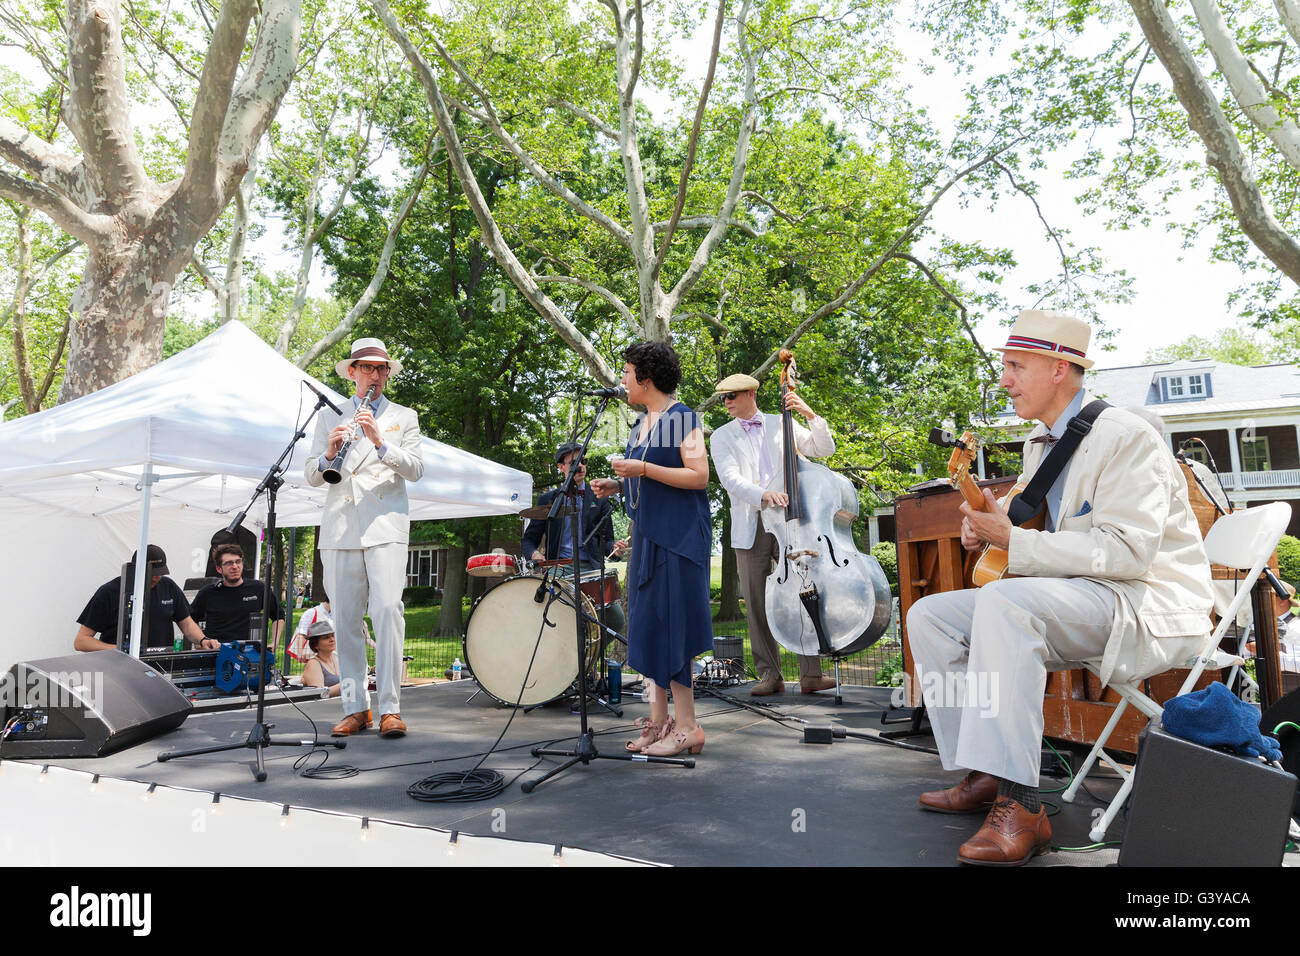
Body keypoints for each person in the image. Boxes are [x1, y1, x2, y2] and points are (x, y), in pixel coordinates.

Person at [905, 310, 1214, 866]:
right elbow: (1026, 528)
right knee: (931, 617)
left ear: (1059, 369)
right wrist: (985, 528)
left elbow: (1128, 553)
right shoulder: (1039, 443)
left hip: (1144, 602)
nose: (1004, 380)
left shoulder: (1127, 436)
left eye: (1015, 366)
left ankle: (1022, 806)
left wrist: (1014, 545)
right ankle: (985, 770)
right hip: (1078, 596)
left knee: (1004, 603)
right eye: (1005, 366)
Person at [592, 342, 711, 756]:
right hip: (647, 537)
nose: (621, 380)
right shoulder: (638, 425)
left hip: (678, 540)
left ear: (645, 377)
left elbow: (698, 476)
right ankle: (658, 723)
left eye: (626, 372)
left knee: (674, 628)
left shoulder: (682, 419)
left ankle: (689, 727)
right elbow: (652, 480)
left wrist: (641, 469)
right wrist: (619, 484)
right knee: (649, 625)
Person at [305, 337, 424, 739]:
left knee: (388, 610)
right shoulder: (329, 415)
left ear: (388, 373)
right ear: (352, 371)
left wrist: (380, 442)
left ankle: (390, 707)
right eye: (367, 368)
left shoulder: (404, 416)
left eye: (381, 368)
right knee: (346, 622)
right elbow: (309, 472)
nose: (374, 375)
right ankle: (356, 708)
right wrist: (328, 454)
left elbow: (416, 469)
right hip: (340, 528)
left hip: (385, 526)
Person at [709, 372, 838, 695]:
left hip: (792, 523)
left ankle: (811, 674)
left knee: (802, 594)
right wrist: (763, 494)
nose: (726, 402)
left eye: (732, 396)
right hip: (751, 524)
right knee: (755, 602)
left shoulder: (784, 422)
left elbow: (825, 449)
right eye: (724, 397)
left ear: (751, 393)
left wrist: (809, 414)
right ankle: (770, 675)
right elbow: (729, 478)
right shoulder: (721, 436)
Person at [522, 443, 628, 634]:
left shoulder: (600, 498)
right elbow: (528, 541)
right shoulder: (548, 501)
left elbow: (607, 541)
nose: (581, 467)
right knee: (559, 622)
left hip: (591, 567)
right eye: (574, 463)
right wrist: (535, 554)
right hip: (559, 568)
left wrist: (616, 549)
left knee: (616, 620)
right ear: (561, 467)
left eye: (583, 461)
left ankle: (588, 659)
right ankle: (569, 658)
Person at [74, 545, 219, 653]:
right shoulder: (109, 592)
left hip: (160, 667)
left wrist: (203, 640)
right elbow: (81, 641)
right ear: (136, 569)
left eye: (161, 572)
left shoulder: (168, 586)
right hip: (119, 668)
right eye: (153, 572)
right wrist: (119, 650)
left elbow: (186, 623)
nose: (157, 577)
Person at [190, 543, 284, 648]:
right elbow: (189, 620)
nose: (235, 566)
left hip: (248, 654)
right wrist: (200, 641)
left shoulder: (258, 588)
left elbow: (278, 615)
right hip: (216, 654)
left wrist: (275, 643)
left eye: (238, 561)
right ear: (219, 569)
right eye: (229, 563)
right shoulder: (207, 592)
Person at [300, 619, 342, 697]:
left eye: (333, 636)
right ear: (316, 645)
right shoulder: (313, 664)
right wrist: (346, 685)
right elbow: (318, 694)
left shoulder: (338, 659)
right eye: (326, 637)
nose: (332, 640)